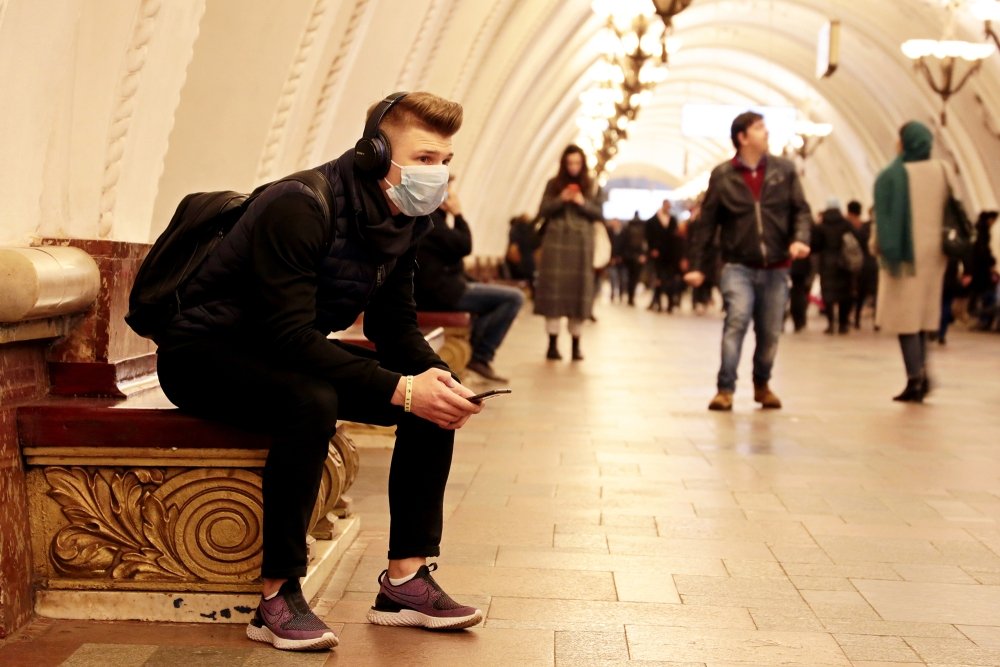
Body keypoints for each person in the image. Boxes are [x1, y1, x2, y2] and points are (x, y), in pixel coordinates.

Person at [154, 92, 485, 651]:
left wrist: (436, 378)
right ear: (376, 152)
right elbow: (286, 335)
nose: (439, 175)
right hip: (202, 355)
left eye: (445, 162)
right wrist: (401, 389)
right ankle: (277, 596)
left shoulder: (405, 218)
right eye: (425, 159)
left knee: (431, 404)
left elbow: (396, 327)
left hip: (282, 350)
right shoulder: (301, 204)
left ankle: (404, 580)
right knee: (312, 400)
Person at [685, 110, 812, 411]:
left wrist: (800, 239)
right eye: (758, 128)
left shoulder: (784, 170)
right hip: (737, 264)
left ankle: (762, 384)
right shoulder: (723, 175)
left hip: (776, 265)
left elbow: (801, 211)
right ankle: (725, 389)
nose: (766, 132)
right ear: (742, 138)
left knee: (769, 332)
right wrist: (697, 266)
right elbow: (708, 223)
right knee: (737, 320)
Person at [414, 180, 524, 382]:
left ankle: (476, 353)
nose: (450, 196)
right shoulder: (429, 220)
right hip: (441, 294)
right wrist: (458, 214)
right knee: (514, 298)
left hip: (448, 288)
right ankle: (480, 356)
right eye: (446, 191)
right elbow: (464, 245)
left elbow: (454, 259)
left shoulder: (433, 218)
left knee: (496, 301)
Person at [871, 120, 949, 402]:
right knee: (924, 319)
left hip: (904, 257)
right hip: (934, 257)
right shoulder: (942, 170)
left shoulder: (893, 175)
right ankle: (924, 372)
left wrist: (878, 247)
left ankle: (914, 378)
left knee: (905, 319)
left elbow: (884, 218)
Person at [534, 144, 604, 361]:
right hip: (555, 245)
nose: (573, 167)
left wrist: (582, 202)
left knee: (578, 295)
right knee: (554, 297)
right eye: (569, 163)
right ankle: (552, 345)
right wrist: (561, 199)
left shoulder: (593, 187)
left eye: (577, 163)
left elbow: (599, 213)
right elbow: (542, 211)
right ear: (564, 164)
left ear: (583, 164)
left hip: (582, 246)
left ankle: (576, 345)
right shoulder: (553, 185)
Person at [811, 199, 855, 334]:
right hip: (844, 262)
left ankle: (830, 324)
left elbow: (815, 245)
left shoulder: (820, 226)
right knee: (844, 293)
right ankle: (843, 324)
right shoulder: (846, 224)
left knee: (828, 293)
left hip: (827, 262)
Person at [846, 200, 878, 328]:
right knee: (876, 293)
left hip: (864, 263)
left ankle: (857, 319)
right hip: (876, 263)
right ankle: (876, 322)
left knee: (861, 293)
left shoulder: (863, 227)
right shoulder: (881, 227)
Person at [504, 213, 539, 295]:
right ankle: (534, 294)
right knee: (532, 277)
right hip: (528, 257)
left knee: (527, 277)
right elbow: (536, 243)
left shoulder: (515, 229)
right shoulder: (530, 229)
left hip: (521, 258)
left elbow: (513, 247)